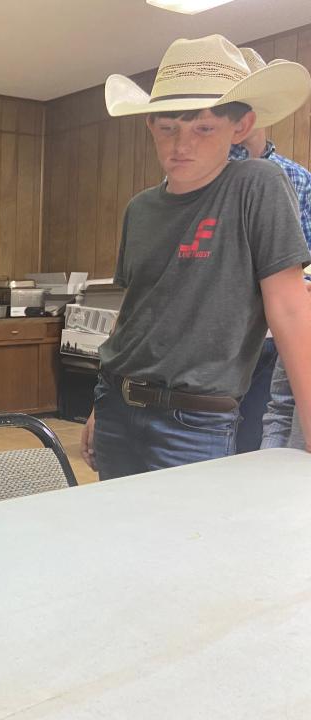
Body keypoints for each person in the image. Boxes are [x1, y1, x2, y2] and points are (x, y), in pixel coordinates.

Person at [80, 35, 311, 480]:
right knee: (117, 536)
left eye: (203, 128)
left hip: (195, 421)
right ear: (150, 125)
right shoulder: (140, 209)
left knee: (188, 542)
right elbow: (134, 316)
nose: (180, 144)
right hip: (115, 405)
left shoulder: (257, 185)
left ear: (239, 126)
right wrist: (98, 405)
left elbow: (289, 306)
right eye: (168, 128)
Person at [229, 47, 311, 453]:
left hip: (276, 339)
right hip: (222, 340)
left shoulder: (298, 178)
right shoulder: (207, 178)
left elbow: (306, 261)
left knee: (261, 436)